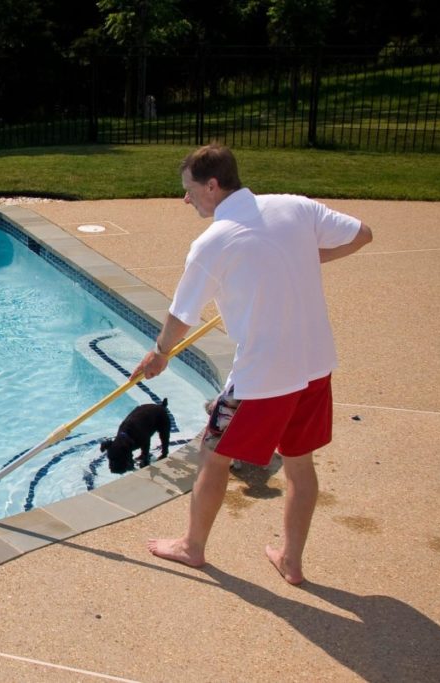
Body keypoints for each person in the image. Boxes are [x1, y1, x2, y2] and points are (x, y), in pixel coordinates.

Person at [133, 143, 373, 585]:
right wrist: (306, 257)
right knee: (300, 465)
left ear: (211, 185)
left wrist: (160, 354)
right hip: (316, 365)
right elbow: (362, 234)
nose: (185, 199)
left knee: (213, 455)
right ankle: (291, 561)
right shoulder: (293, 207)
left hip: (262, 378)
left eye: (188, 190)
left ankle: (192, 547)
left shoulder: (212, 242)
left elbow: (179, 318)